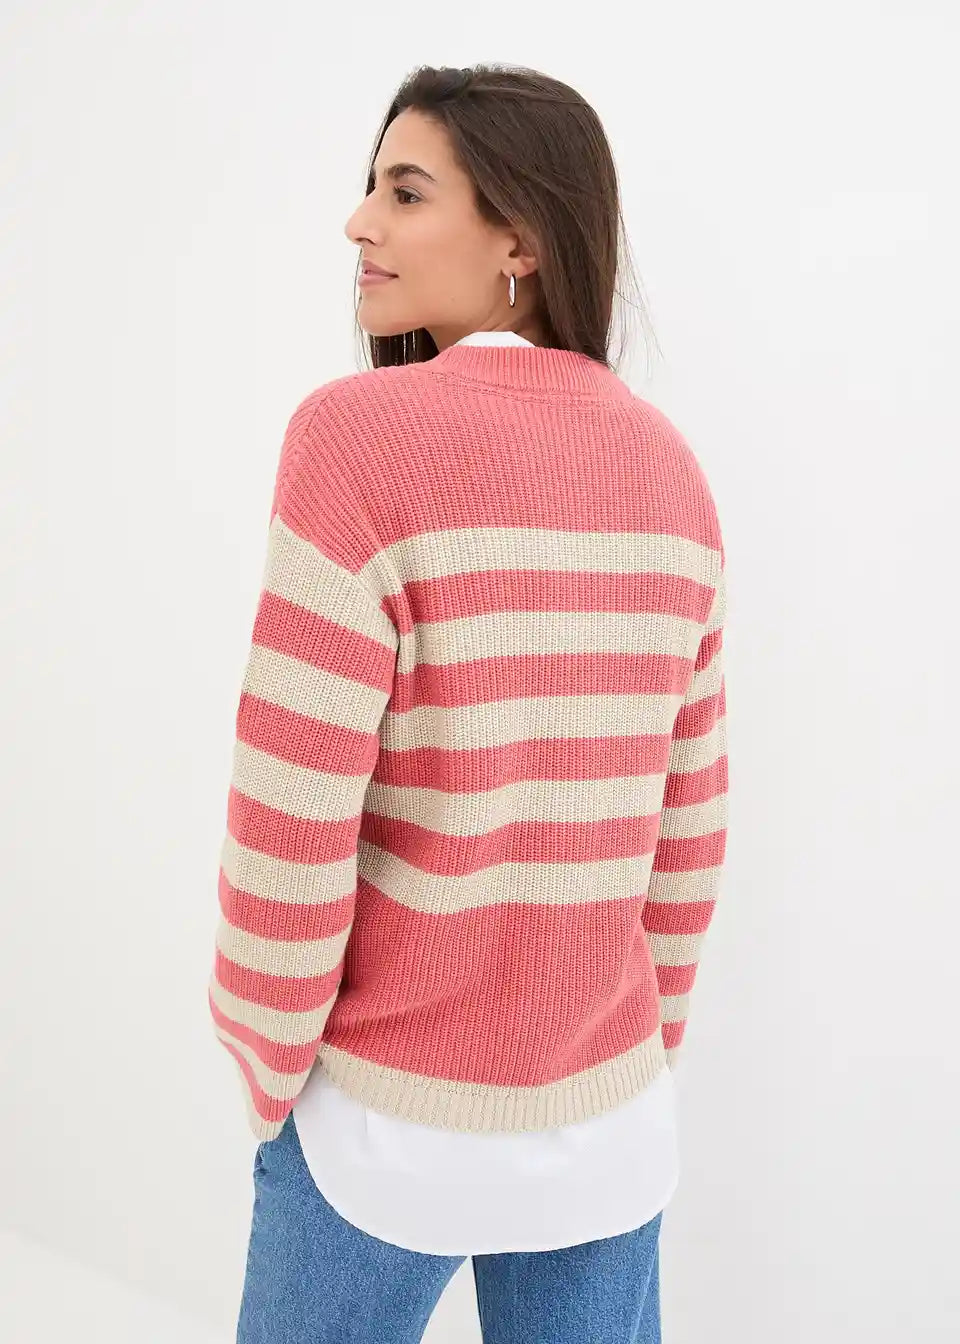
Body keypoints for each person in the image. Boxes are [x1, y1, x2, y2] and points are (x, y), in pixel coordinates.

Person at [209, 63, 728, 1344]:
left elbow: (292, 810)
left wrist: (270, 1064)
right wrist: (629, 1050)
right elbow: (690, 833)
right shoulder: (672, 473)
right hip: (609, 1134)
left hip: (386, 1130)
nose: (359, 223)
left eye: (405, 192)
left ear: (521, 241)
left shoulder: (353, 442)